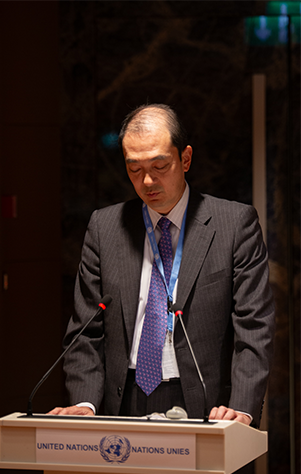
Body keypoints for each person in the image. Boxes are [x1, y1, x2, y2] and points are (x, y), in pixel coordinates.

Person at [49, 104, 274, 426]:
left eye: (160, 165)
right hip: (121, 396)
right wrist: (85, 401)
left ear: (185, 159)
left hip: (204, 400)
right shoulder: (105, 227)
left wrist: (242, 405)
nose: (148, 180)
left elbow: (254, 325)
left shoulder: (234, 224)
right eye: (134, 169)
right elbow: (86, 329)